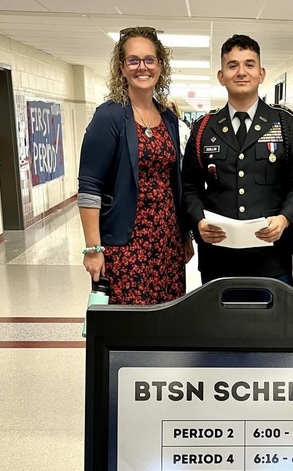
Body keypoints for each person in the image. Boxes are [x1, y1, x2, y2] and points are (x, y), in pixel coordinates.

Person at [182, 34, 293, 285]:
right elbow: (190, 188)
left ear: (261, 73)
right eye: (232, 65)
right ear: (221, 76)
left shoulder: (284, 124)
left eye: (249, 64)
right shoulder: (203, 128)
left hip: (271, 257)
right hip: (218, 256)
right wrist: (198, 221)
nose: (241, 72)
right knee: (219, 325)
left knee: (271, 325)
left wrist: (284, 218)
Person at [77, 26, 193, 304]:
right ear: (122, 67)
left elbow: (174, 180)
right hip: (126, 243)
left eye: (149, 60)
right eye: (133, 60)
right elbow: (89, 186)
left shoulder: (168, 118)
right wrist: (93, 249)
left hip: (166, 241)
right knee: (131, 326)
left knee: (167, 318)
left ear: (160, 65)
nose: (142, 67)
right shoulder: (109, 116)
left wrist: (184, 234)